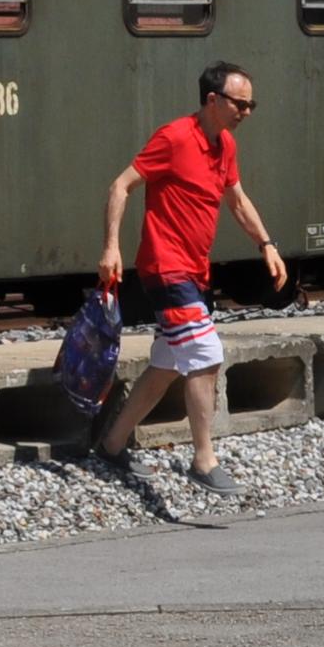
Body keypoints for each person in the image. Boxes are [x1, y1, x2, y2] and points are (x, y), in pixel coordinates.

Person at [89, 65, 288, 500]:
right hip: (166, 267)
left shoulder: (226, 146)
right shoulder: (175, 137)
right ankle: (203, 459)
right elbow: (121, 186)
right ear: (213, 100)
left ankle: (112, 444)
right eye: (240, 103)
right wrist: (111, 248)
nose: (247, 112)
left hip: (195, 271)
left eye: (251, 104)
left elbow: (236, 199)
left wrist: (266, 244)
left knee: (165, 364)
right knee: (205, 354)